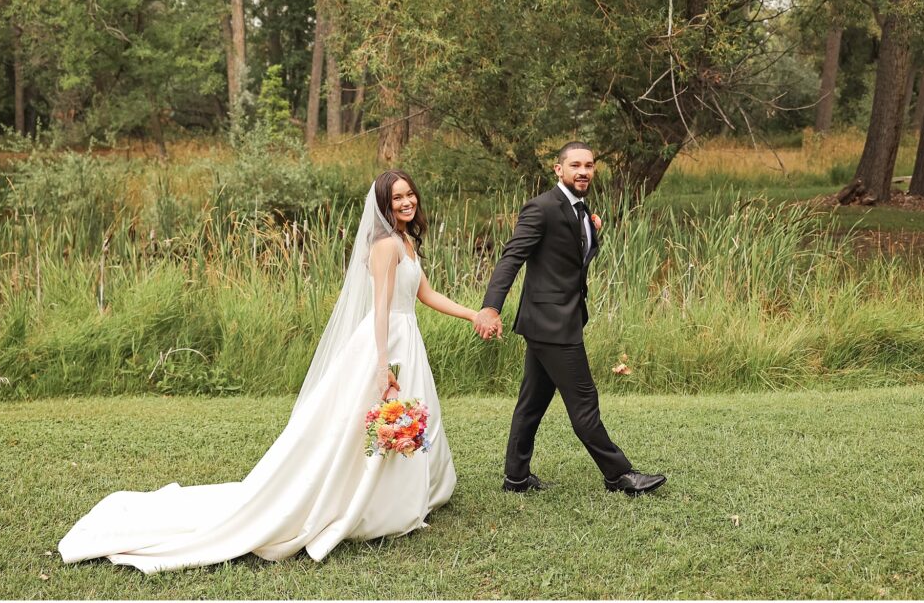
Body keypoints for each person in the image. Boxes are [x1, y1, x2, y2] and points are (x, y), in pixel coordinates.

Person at [59, 170, 474, 573]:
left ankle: (405, 493)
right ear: (384, 204)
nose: (406, 201)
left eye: (409, 194)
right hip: (385, 342)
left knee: (410, 419)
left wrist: (473, 314)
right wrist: (383, 365)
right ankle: (367, 502)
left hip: (408, 338)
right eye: (397, 197)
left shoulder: (406, 241)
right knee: (364, 426)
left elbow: (426, 293)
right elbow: (380, 307)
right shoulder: (384, 245)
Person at [474, 141, 667, 496]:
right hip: (552, 324)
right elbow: (511, 258)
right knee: (584, 403)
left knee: (531, 404)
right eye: (575, 165)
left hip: (557, 319)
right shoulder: (542, 208)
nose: (583, 172)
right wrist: (491, 307)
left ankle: (515, 477)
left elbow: (571, 258)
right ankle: (619, 475)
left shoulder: (580, 209)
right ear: (558, 169)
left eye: (589, 166)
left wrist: (593, 232)